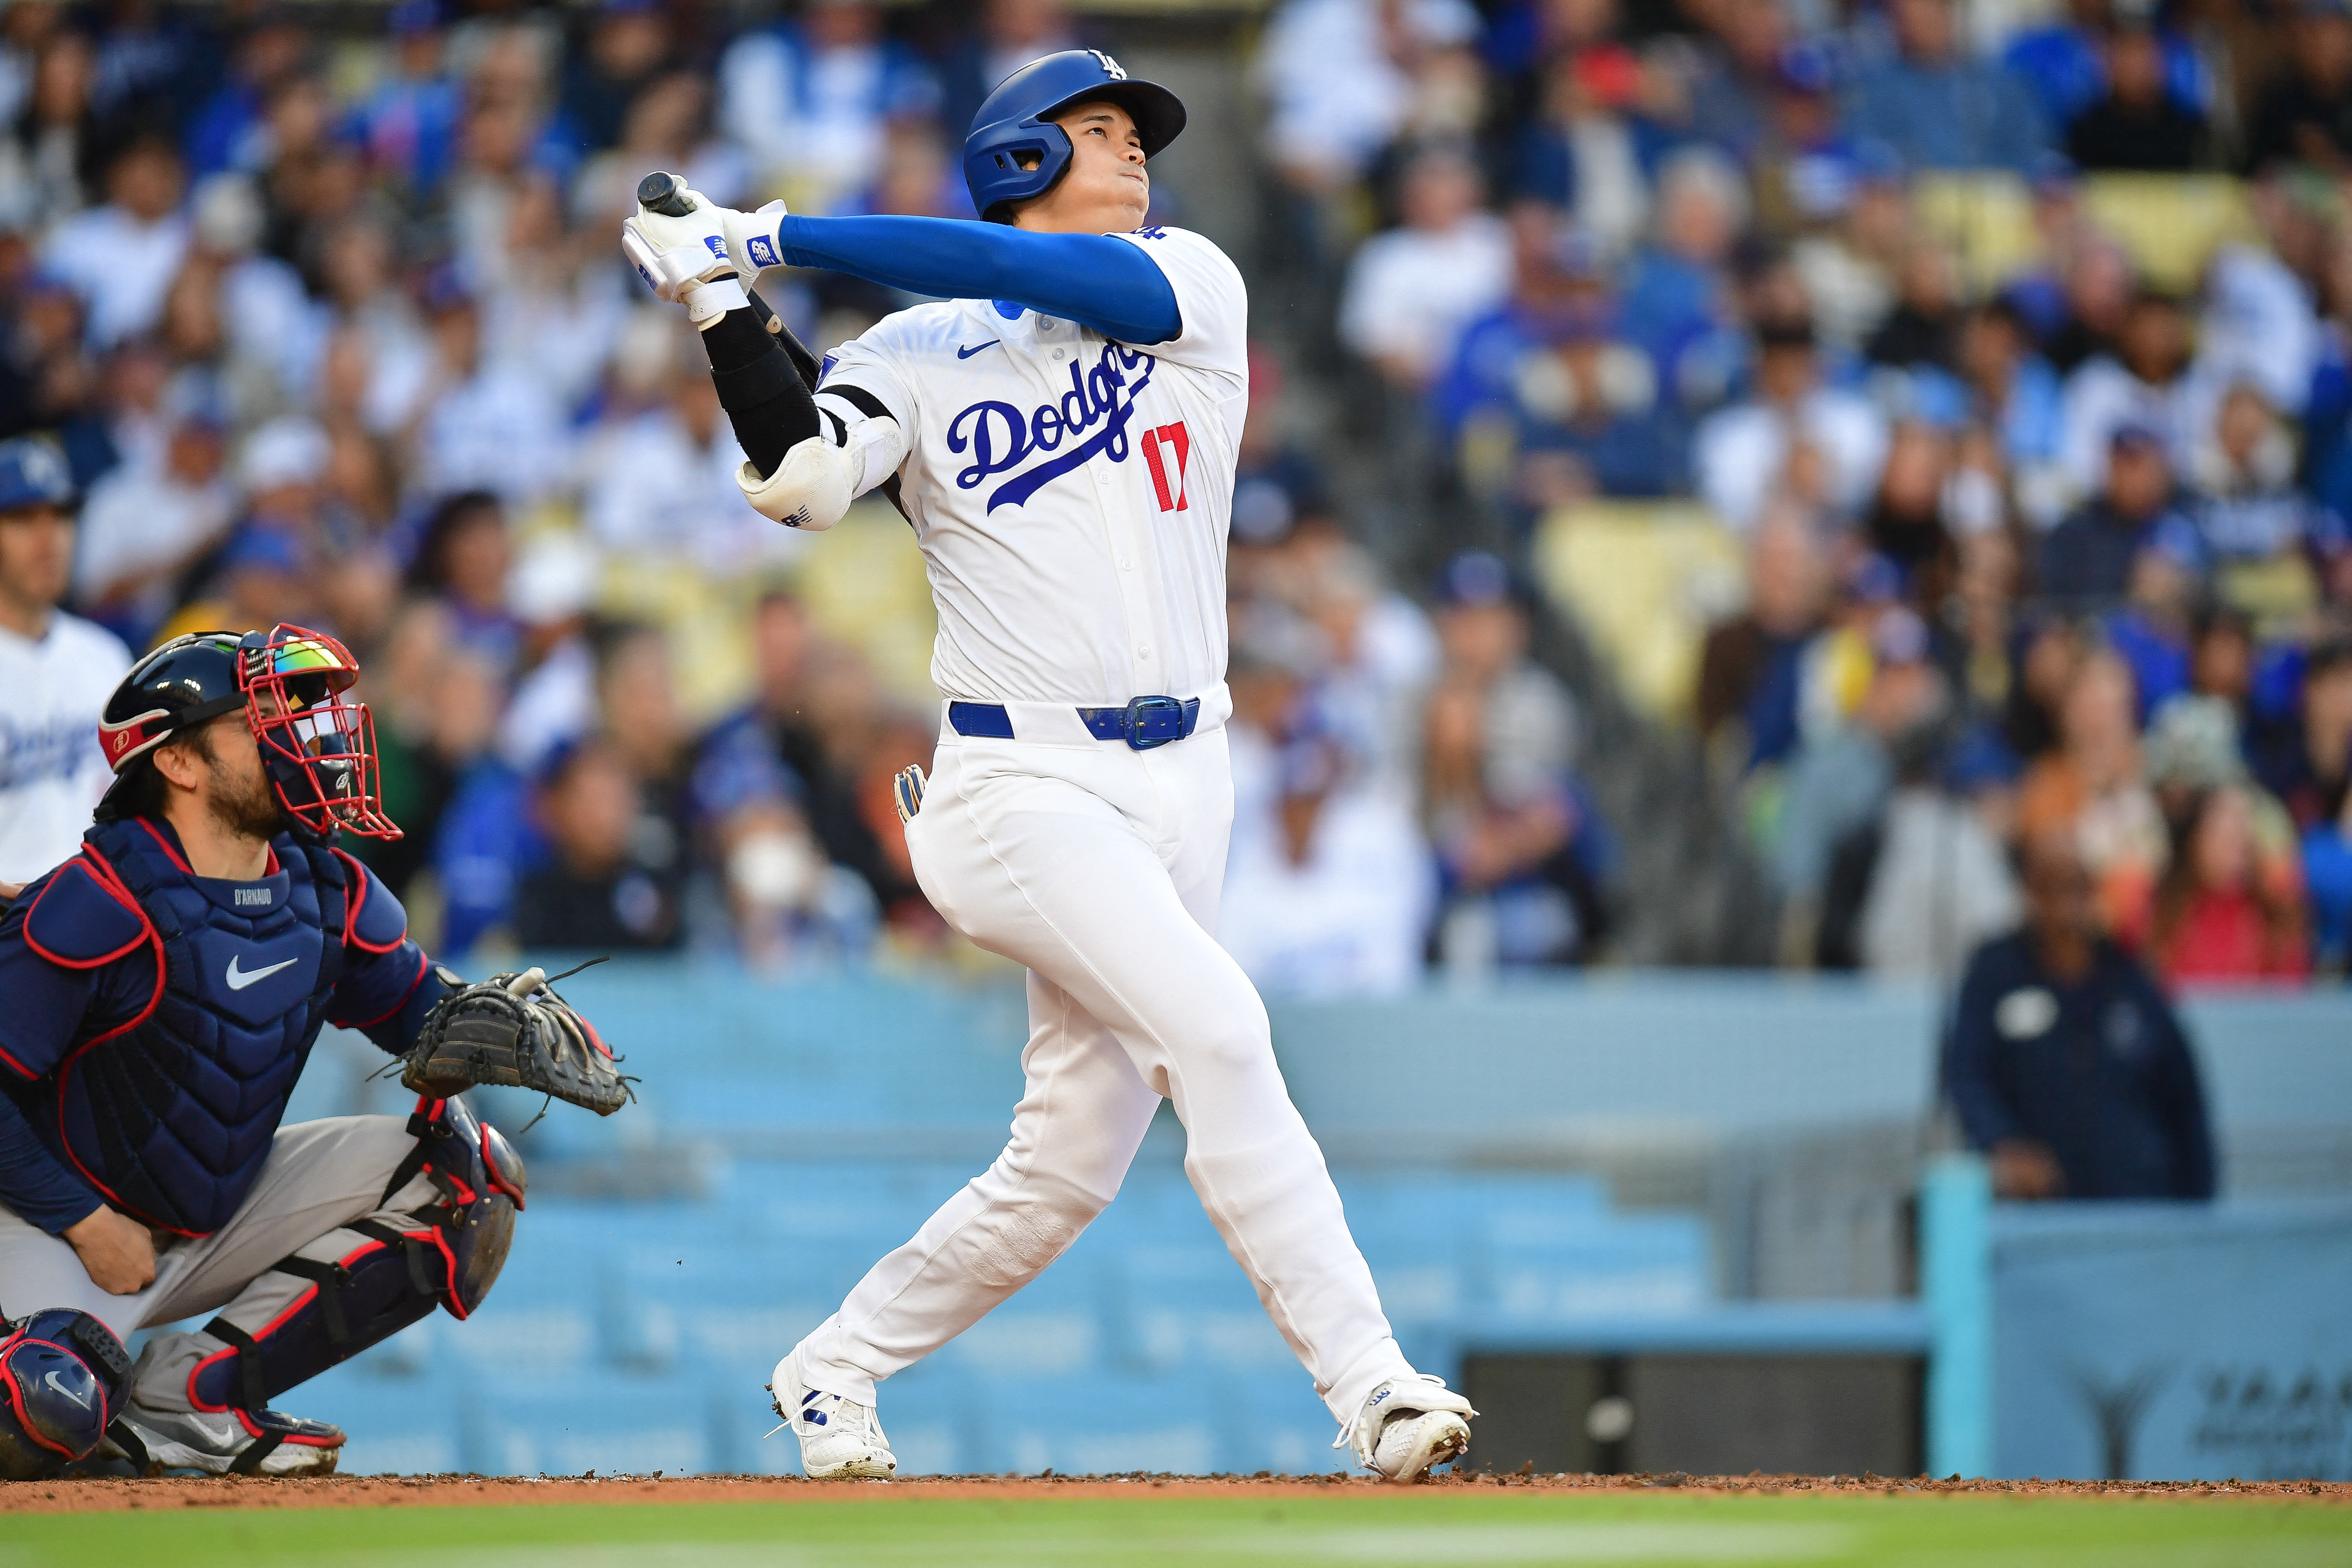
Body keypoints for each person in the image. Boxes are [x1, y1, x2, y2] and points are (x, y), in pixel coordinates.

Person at [621, 49, 1475, 1483]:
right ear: (1018, 161)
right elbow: (799, 481)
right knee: (1219, 1028)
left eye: (1135, 132)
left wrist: (775, 235)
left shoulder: (1191, 285)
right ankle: (1373, 1384)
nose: (1135, 152)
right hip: (1014, 789)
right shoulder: (919, 351)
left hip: (1188, 770)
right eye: (1096, 131)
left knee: (1067, 1165)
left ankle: (836, 1360)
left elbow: (1091, 288)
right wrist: (723, 307)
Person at [0, 625, 606, 1477]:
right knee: (41, 1411)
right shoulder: (97, 901)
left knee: (467, 1177)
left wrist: (497, 1030)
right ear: (178, 763)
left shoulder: (325, 890)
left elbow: (417, 1010)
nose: (301, 739)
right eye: (260, 721)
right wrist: (86, 1222)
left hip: (209, 1216)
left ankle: (192, 1403)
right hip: (54, 1227)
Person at [1943, 828, 2217, 1200]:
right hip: (2042, 1207)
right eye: (2051, 884)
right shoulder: (1997, 971)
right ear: (2028, 890)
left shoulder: (2129, 977)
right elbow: (1966, 1072)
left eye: (2077, 883)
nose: (2066, 899)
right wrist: (2003, 1143)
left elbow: (2183, 1097)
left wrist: (2197, 1204)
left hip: (2137, 1201)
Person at [0, 438, 130, 891]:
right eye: (22, 519)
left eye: (60, 516)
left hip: (106, 920)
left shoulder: (106, 655)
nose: (48, 537)